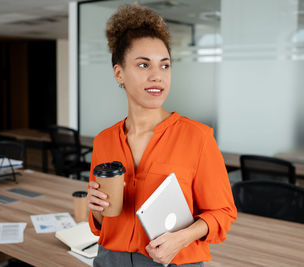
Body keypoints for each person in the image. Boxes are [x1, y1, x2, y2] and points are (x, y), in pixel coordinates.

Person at [87, 4, 237, 267]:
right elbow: (101, 225)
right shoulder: (104, 141)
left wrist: (183, 237)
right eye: (144, 65)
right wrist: (97, 212)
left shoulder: (198, 138)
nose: (157, 76)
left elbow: (223, 213)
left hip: (174, 261)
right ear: (119, 73)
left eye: (165, 66)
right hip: (110, 259)